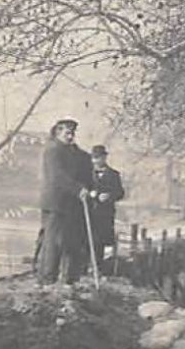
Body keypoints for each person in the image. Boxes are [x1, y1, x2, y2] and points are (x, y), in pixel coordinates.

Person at [34, 118, 94, 283]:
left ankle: (69, 279)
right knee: (53, 242)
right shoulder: (52, 150)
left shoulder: (74, 152)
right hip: (55, 204)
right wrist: (78, 189)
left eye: (72, 133)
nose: (70, 136)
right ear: (57, 132)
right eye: (67, 133)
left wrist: (85, 188)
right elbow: (57, 176)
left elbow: (82, 172)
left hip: (71, 205)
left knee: (70, 242)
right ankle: (47, 279)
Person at [85, 144, 126, 273]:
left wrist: (109, 196)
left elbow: (120, 193)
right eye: (94, 158)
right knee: (85, 239)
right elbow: (80, 189)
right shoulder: (85, 173)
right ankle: (83, 267)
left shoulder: (114, 175)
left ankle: (97, 268)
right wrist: (92, 194)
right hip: (88, 212)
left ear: (105, 158)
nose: (97, 161)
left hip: (105, 214)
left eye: (99, 158)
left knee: (100, 242)